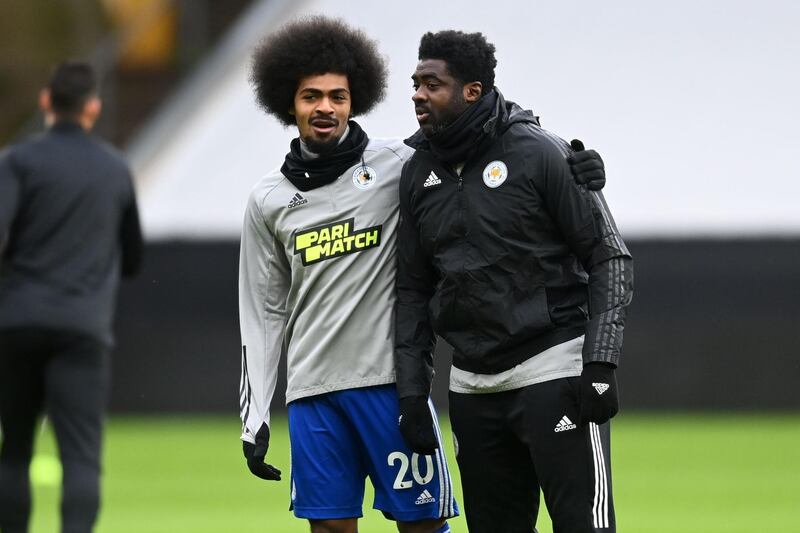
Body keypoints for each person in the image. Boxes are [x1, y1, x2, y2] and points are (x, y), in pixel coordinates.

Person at [239, 16, 604, 533]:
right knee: (328, 530)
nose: (325, 107)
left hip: (388, 388)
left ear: (354, 100)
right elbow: (262, 310)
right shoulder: (268, 200)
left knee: (422, 526)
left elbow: (487, 127)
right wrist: (254, 416)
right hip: (311, 394)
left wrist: (576, 164)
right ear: (288, 104)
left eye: (338, 96)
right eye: (311, 96)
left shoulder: (401, 162)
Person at [394, 30, 634, 533]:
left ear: (472, 91)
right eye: (415, 83)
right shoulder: (418, 173)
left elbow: (609, 256)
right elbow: (413, 290)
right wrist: (413, 394)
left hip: (553, 373)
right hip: (472, 387)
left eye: (431, 84)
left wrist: (601, 363)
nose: (417, 94)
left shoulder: (542, 152)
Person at [0, 61, 143, 533]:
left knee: (15, 449)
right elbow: (134, 257)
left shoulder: (16, 162)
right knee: (81, 457)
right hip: (83, 327)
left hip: (16, 325)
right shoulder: (115, 169)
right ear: (93, 107)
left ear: (46, 102)